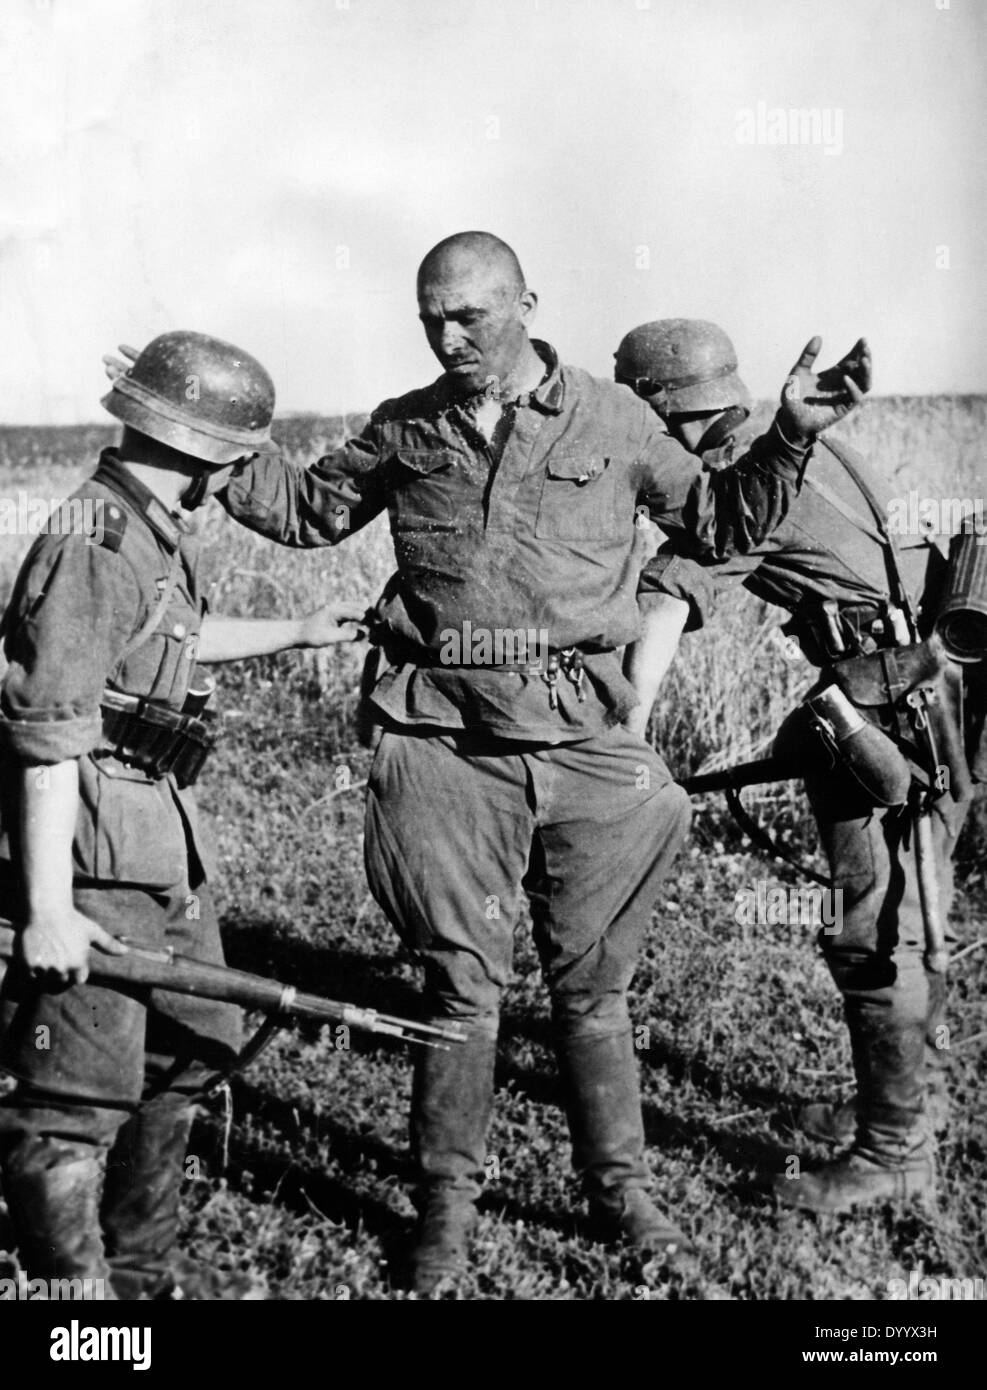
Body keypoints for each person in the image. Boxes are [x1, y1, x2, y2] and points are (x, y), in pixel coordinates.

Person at [218, 232, 870, 1292]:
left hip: (585, 746)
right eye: (431, 315)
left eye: (471, 314)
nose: (448, 334)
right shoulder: (406, 425)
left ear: (527, 301)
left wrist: (788, 437)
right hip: (444, 742)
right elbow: (308, 510)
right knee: (459, 989)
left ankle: (623, 1198)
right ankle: (444, 1216)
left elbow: (714, 519)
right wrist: (200, 438)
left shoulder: (616, 420)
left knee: (593, 990)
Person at [0, 331, 363, 1299]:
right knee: (74, 1094)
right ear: (214, 454)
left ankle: (141, 1269)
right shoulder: (96, 541)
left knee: (194, 1042)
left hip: (159, 842)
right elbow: (48, 733)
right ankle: (78, 1301)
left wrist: (297, 628)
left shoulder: (146, 527)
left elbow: (169, 647)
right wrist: (46, 909)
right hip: (93, 855)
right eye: (240, 457)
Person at [617, 317, 986, 1213]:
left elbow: (673, 589)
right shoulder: (807, 446)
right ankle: (902, 1107)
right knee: (916, 910)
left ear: (657, 407)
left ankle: (894, 1150)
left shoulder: (741, 478)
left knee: (871, 932)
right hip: (939, 693)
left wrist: (627, 728)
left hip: (886, 707)